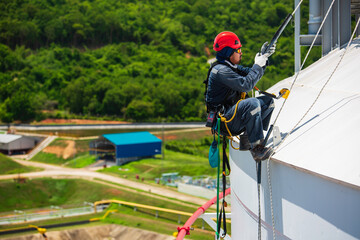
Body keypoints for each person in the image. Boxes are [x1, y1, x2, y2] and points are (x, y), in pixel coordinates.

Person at [205, 31, 275, 162]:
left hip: (233, 116)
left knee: (268, 101)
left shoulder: (230, 67)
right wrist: (257, 65)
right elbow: (246, 84)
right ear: (228, 52)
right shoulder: (221, 71)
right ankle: (257, 149)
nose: (241, 52)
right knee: (252, 103)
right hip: (225, 120)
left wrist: (263, 59)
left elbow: (251, 73)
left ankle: (249, 139)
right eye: (238, 50)